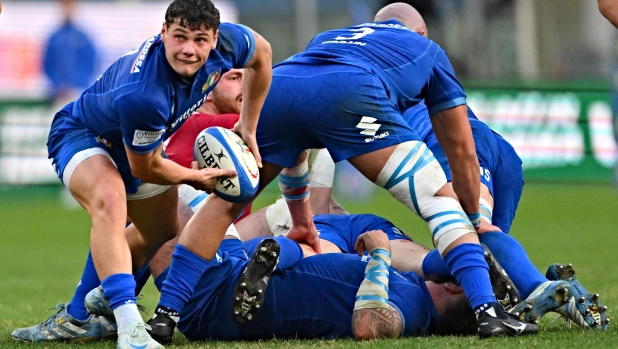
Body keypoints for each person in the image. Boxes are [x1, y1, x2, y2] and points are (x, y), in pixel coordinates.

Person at [151, 2, 536, 341]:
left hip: (281, 85)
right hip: (351, 93)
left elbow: (299, 136)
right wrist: (473, 220)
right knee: (441, 204)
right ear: (420, 31)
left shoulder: (332, 35)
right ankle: (487, 311)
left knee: (224, 205)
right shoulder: (427, 49)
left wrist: (301, 219)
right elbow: (462, 150)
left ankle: (167, 313)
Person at [20, 0, 272, 348]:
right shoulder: (144, 93)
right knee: (110, 200)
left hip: (140, 143)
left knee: (162, 230)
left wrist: (249, 126)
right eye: (179, 37)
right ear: (163, 32)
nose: (188, 49)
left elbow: (263, 54)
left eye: (199, 40)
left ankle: (82, 313)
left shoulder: (230, 44)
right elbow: (146, 167)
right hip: (84, 134)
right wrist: (194, 177)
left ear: (215, 39)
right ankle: (129, 327)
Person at [43, 0, 98, 109]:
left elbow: (90, 63)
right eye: (64, 6)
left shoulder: (83, 37)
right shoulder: (55, 37)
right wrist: (58, 85)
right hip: (58, 94)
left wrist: (78, 84)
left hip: (78, 92)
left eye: (70, 6)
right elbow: (47, 64)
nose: (67, 10)